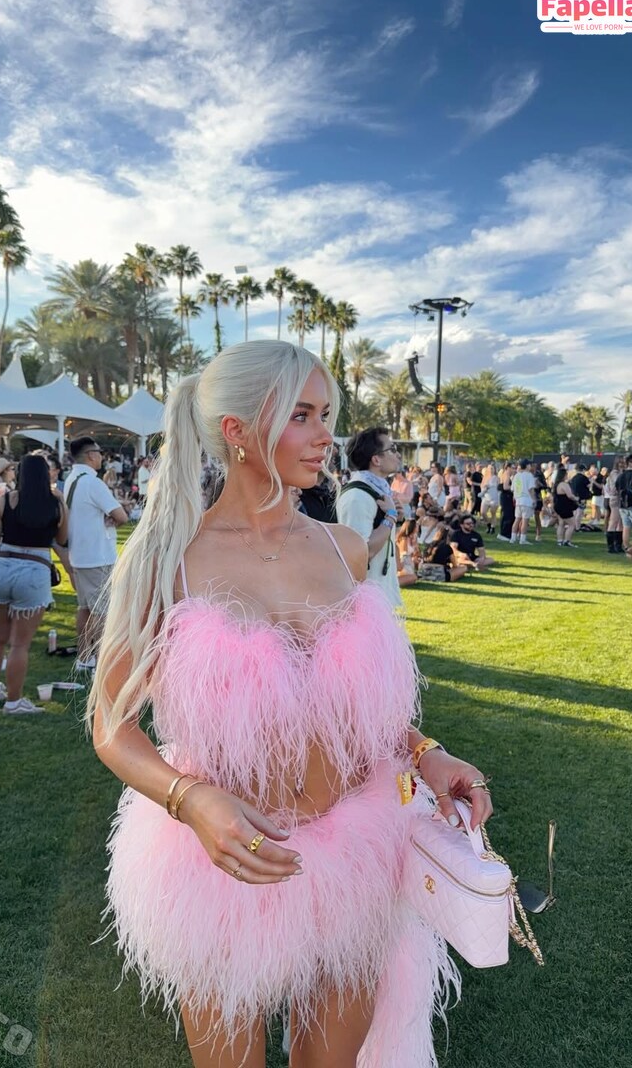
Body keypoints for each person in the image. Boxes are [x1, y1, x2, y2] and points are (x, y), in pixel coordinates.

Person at [88, 340, 492, 1068]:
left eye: (326, 414)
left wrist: (428, 753)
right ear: (238, 431)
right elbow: (111, 726)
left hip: (355, 853)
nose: (324, 434)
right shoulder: (168, 560)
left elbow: (356, 707)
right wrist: (190, 799)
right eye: (301, 415)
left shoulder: (344, 549)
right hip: (224, 860)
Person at [0, 455, 70, 714]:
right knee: (19, 644)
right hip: (35, 570)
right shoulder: (55, 503)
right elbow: (62, 538)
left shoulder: (5, 500)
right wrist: (61, 504)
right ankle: (14, 701)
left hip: (2, 566)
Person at [64, 436, 130, 669]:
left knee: (85, 608)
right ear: (91, 455)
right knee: (103, 611)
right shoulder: (93, 483)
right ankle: (102, 662)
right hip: (97, 555)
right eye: (99, 452)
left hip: (80, 554)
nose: (102, 456)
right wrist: (112, 517)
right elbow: (121, 516)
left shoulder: (71, 479)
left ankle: (85, 657)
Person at [335, 427, 405, 614]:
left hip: (379, 596)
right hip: (363, 605)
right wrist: (390, 516)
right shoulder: (357, 496)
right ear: (376, 459)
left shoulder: (377, 491)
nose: (398, 454)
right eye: (392, 449)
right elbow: (361, 553)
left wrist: (395, 517)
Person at [510, 459, 537, 545]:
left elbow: (513, 489)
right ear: (527, 466)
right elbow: (531, 489)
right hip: (527, 500)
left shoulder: (516, 475)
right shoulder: (529, 475)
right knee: (525, 521)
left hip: (518, 500)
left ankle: (513, 538)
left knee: (517, 519)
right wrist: (534, 499)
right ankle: (522, 539)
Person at [553, 466, 579, 548]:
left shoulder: (556, 485)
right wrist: (577, 498)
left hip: (558, 506)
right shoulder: (564, 484)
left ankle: (559, 541)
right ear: (563, 475)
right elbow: (570, 495)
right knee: (572, 524)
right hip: (565, 507)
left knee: (561, 523)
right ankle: (567, 541)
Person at [496, 461, 515, 542]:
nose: (514, 470)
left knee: (507, 515)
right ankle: (504, 534)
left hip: (505, 497)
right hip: (506, 497)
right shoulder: (506, 474)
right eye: (512, 468)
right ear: (508, 468)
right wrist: (514, 487)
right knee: (508, 515)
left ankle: (507, 533)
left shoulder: (503, 474)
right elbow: (505, 487)